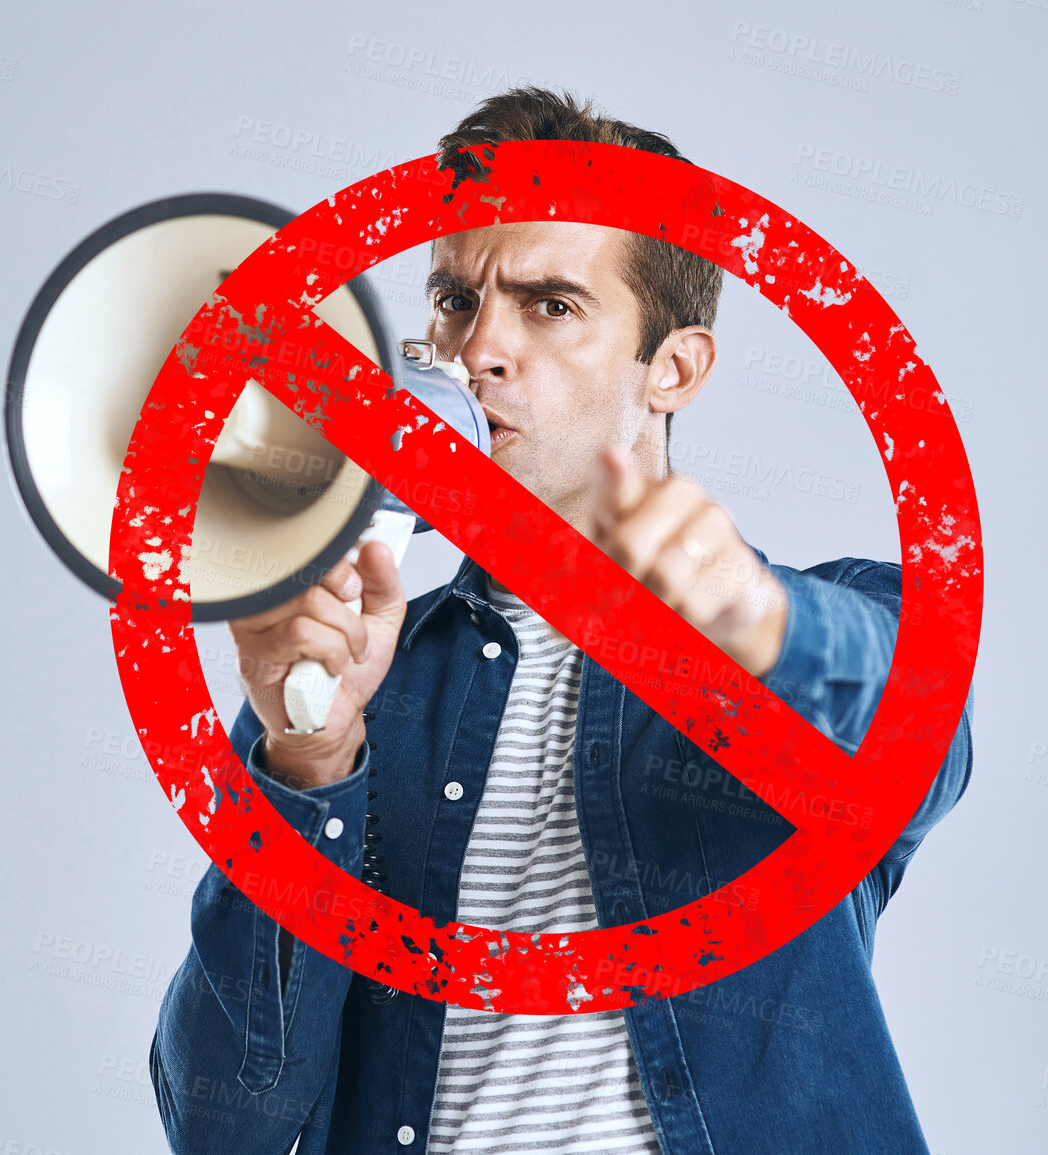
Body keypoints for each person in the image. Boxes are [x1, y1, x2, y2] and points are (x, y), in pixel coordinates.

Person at [149, 86, 973, 1155]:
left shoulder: (832, 621)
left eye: (549, 305)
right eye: (452, 299)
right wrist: (305, 762)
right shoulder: (356, 683)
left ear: (671, 368)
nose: (476, 346)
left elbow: (916, 738)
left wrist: (751, 622)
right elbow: (228, 1122)